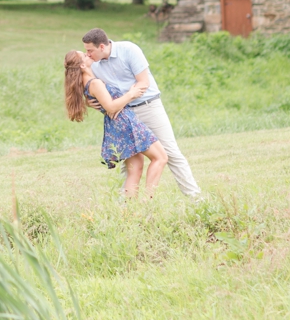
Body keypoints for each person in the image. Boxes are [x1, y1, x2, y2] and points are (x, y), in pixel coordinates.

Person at [82, 27, 202, 199]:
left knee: (171, 153)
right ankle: (125, 207)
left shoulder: (129, 50)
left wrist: (116, 103)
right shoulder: (95, 65)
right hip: (124, 114)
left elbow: (143, 83)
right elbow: (95, 88)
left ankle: (196, 199)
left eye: (90, 50)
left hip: (149, 106)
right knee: (130, 163)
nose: (88, 54)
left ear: (102, 46)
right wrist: (92, 101)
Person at [63, 50, 168, 199]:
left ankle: (128, 209)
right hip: (125, 122)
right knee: (160, 158)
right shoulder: (95, 83)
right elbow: (111, 107)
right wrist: (132, 93)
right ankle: (148, 202)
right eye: (84, 56)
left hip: (117, 124)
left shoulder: (87, 82)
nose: (88, 55)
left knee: (136, 167)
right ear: (81, 65)